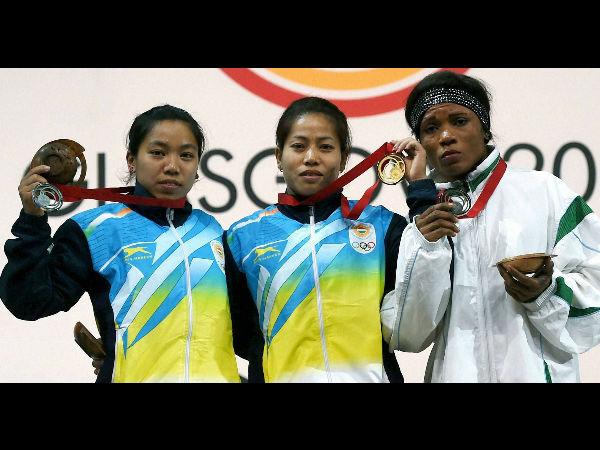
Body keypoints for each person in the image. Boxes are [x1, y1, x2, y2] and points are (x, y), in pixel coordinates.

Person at [380, 70, 600, 382]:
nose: (445, 136)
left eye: (459, 121)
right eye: (431, 128)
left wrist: (546, 294)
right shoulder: (422, 224)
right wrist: (425, 246)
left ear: (484, 128)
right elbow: (409, 336)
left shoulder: (545, 193)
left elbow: (596, 284)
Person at [0, 105, 240, 383]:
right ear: (131, 160)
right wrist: (32, 220)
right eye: (158, 153)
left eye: (186, 155)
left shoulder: (212, 232)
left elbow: (249, 330)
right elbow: (30, 302)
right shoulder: (95, 230)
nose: (172, 166)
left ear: (197, 166)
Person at [224, 96, 435, 382]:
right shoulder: (242, 238)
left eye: (325, 147)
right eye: (298, 146)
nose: (311, 157)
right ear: (278, 156)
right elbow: (240, 334)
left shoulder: (383, 227)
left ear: (344, 158)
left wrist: (420, 187)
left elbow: (426, 287)